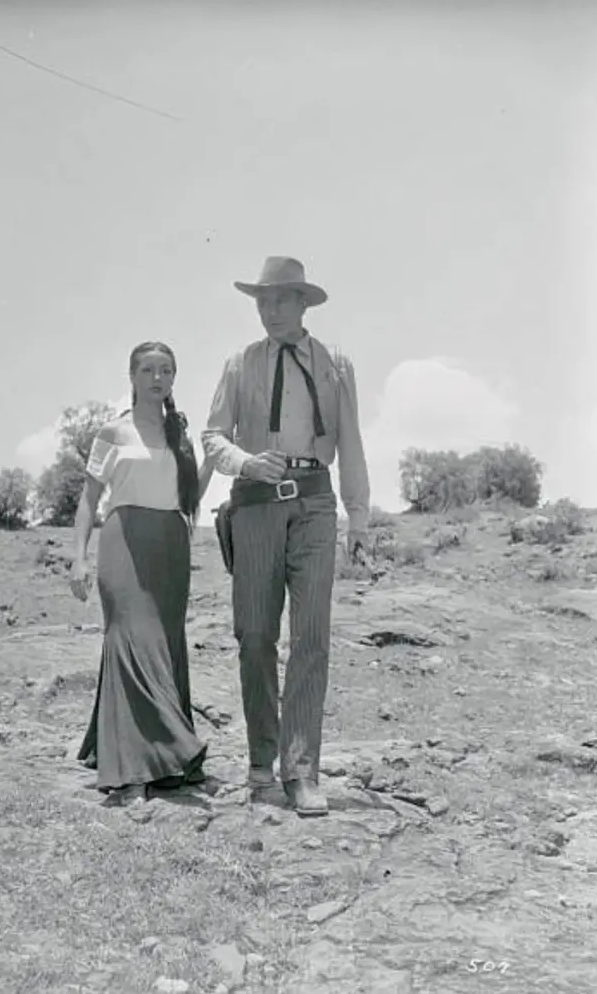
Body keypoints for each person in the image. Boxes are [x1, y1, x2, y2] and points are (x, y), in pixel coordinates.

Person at [201, 256, 370, 817]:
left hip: (316, 503)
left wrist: (359, 518)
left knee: (311, 637)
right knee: (254, 635)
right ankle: (260, 763)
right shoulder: (240, 363)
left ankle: (301, 772)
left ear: (303, 303)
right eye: (262, 302)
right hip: (254, 504)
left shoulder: (335, 363)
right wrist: (247, 462)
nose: (270, 311)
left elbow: (351, 440)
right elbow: (213, 437)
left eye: (280, 300)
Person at [70, 341, 214, 806]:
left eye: (166, 370)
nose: (157, 378)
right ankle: (131, 772)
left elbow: (189, 499)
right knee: (130, 641)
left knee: (164, 647)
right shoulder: (113, 432)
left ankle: (167, 763)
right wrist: (78, 557)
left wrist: (212, 461)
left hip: (170, 546)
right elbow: (89, 499)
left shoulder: (179, 435)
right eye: (148, 370)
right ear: (132, 377)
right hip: (124, 541)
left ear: (174, 378)